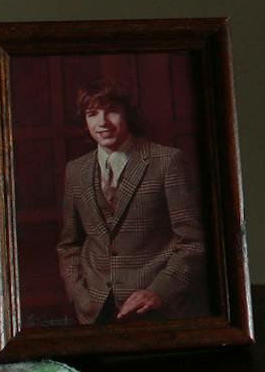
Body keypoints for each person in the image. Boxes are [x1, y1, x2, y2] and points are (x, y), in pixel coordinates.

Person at [55, 79, 209, 324]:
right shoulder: (75, 170)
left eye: (112, 112)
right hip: (94, 312)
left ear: (128, 114)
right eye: (92, 114)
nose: (102, 123)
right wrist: (79, 296)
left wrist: (159, 291)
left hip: (157, 311)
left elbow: (193, 242)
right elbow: (69, 245)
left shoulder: (168, 161)